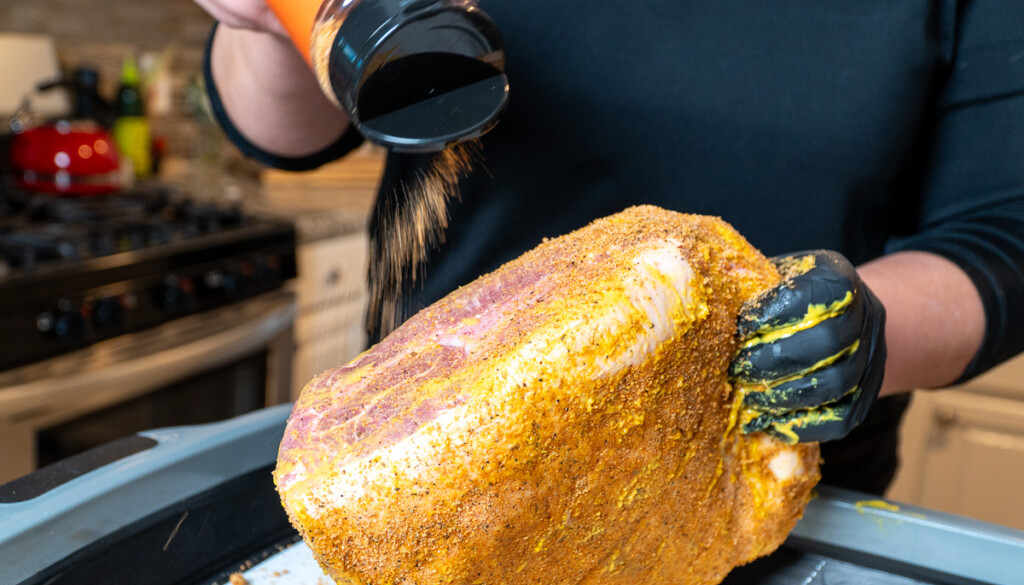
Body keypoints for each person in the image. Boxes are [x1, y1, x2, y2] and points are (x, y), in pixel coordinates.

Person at [193, 0, 1024, 494]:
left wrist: (856, 331)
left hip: (776, 496)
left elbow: (999, 239)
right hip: (431, 469)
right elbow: (287, 135)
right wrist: (271, 25)